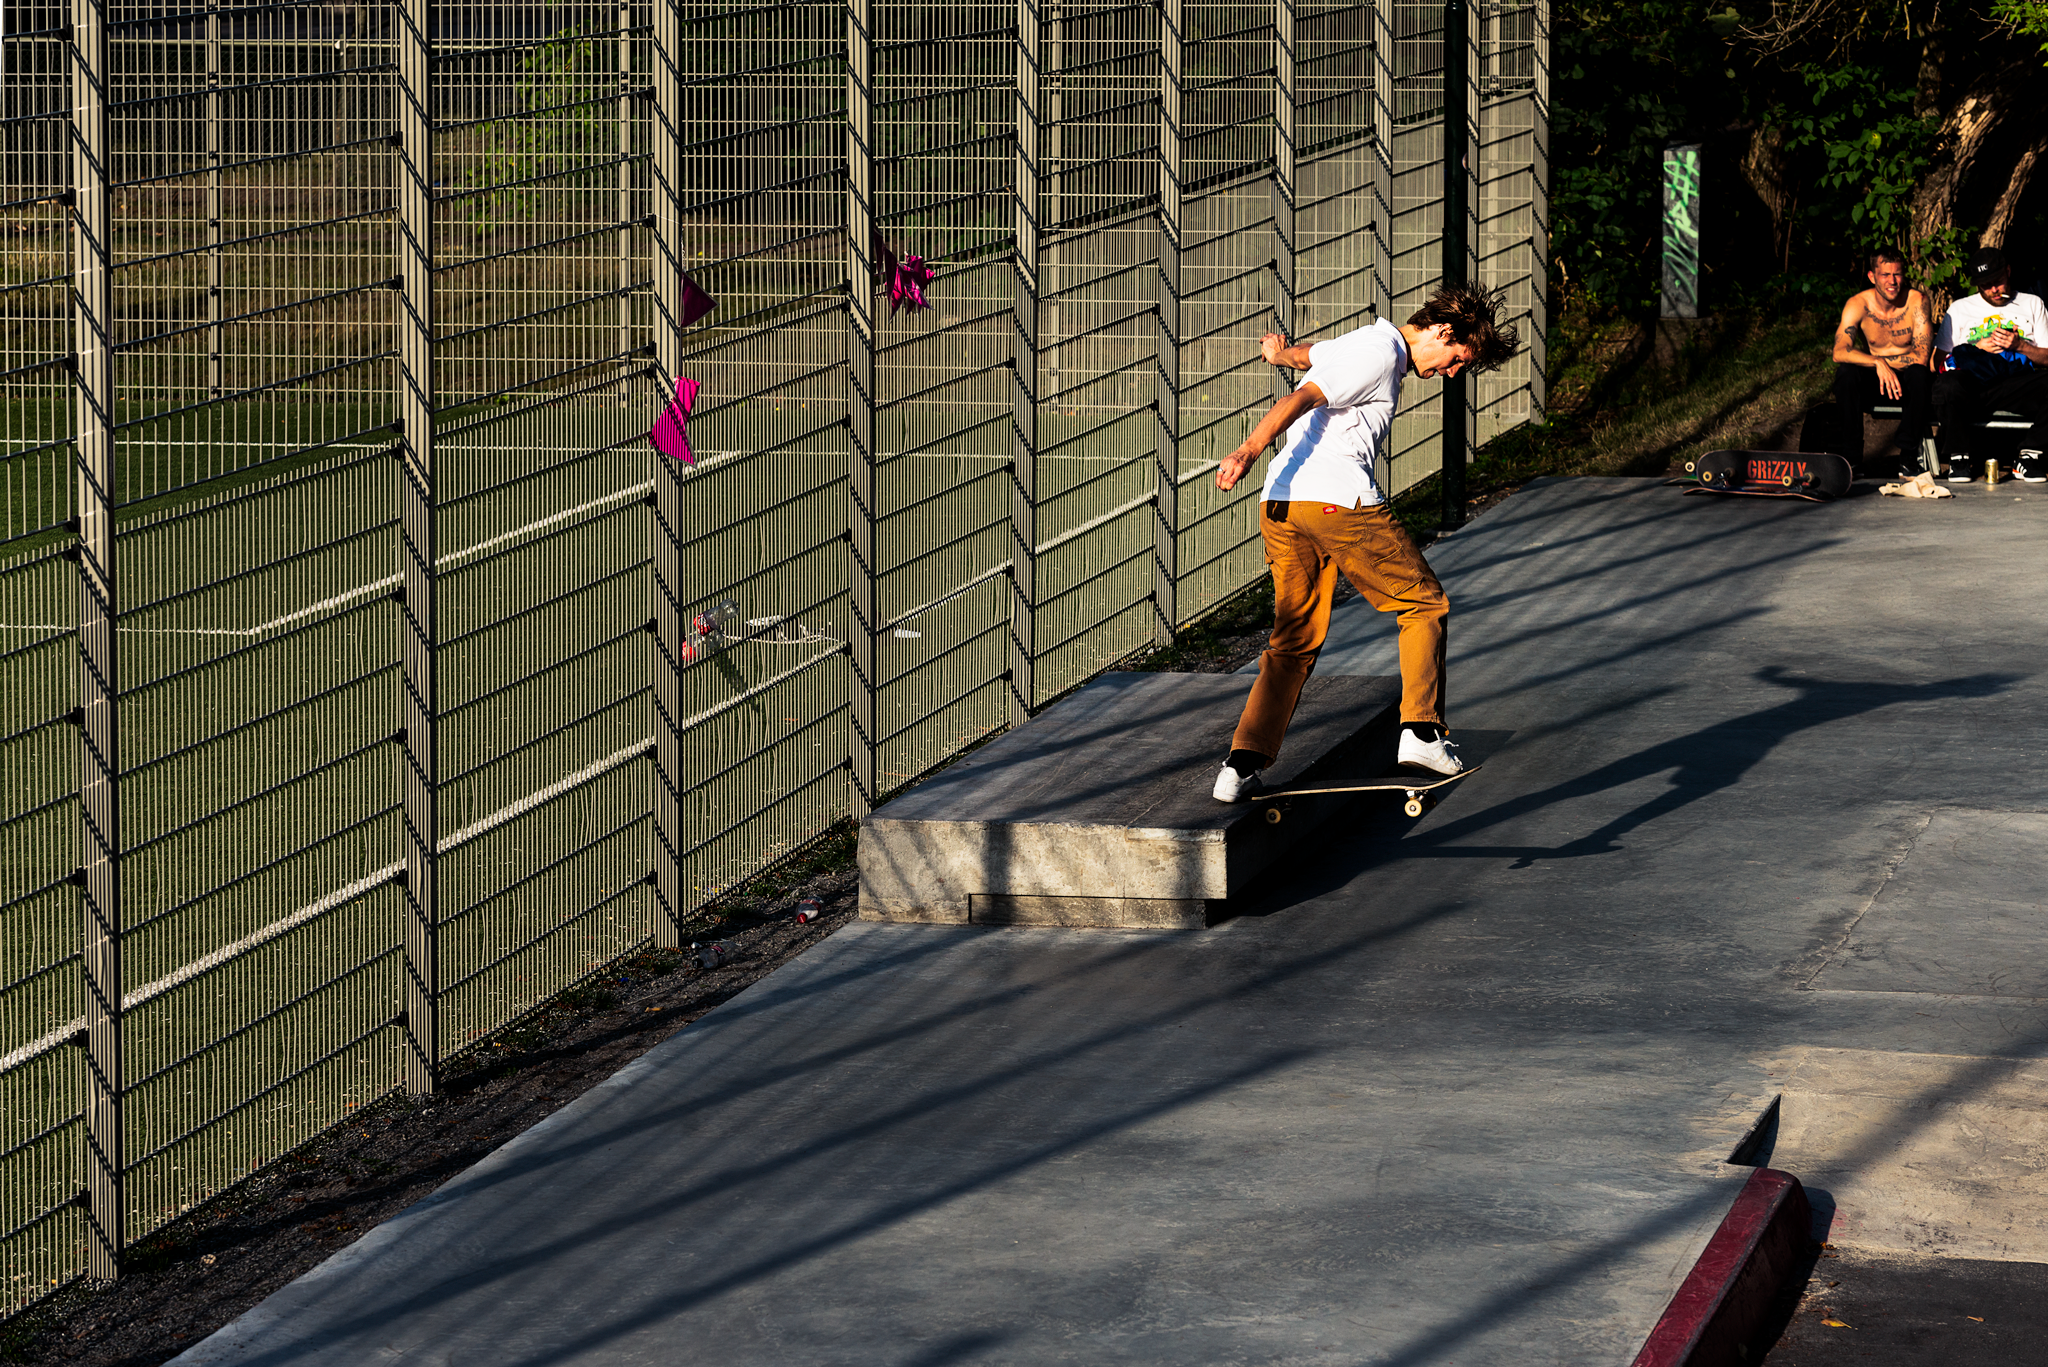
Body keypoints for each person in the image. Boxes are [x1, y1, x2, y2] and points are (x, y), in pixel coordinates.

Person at [1209, 282, 1522, 803]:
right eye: (1457, 360)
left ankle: (1240, 766)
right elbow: (1301, 397)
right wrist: (1246, 450)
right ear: (1442, 331)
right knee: (1422, 603)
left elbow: (1309, 357)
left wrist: (1279, 354)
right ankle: (1421, 732)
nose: (1452, 373)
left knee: (1293, 639)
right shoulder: (1378, 356)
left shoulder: (1360, 343)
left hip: (1281, 503)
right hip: (1337, 503)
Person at [1933, 246, 2048, 483]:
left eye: (1998, 281)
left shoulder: (2032, 303)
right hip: (1972, 385)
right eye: (1986, 285)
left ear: (2008, 271)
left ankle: (2030, 455)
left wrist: (2020, 346)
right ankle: (1959, 457)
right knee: (1948, 383)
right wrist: (1976, 349)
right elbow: (1936, 363)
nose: (1994, 290)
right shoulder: (1960, 308)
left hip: (2015, 383)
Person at [1830, 247, 1934, 479]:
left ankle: (1908, 457)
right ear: (1872, 276)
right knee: (1846, 373)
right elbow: (1839, 352)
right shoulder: (1858, 303)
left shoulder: (1917, 301)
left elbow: (1921, 356)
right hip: (1876, 380)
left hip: (1907, 381)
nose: (1892, 281)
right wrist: (1877, 362)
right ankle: (1851, 460)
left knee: (1919, 373)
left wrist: (1885, 363)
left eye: (1897, 274)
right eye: (1885, 275)